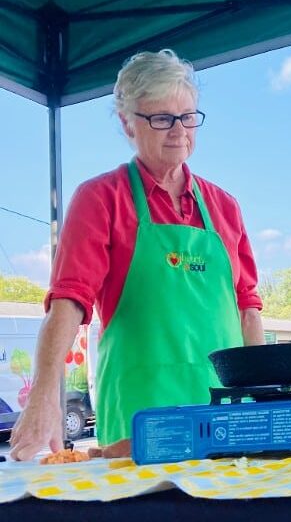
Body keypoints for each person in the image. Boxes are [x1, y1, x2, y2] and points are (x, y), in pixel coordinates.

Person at [10, 49, 265, 460]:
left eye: (187, 116)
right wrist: (43, 395)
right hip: (140, 415)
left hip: (227, 411)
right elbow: (68, 302)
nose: (179, 130)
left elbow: (247, 309)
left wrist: (263, 395)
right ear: (128, 123)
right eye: (162, 118)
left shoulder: (226, 207)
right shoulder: (101, 198)